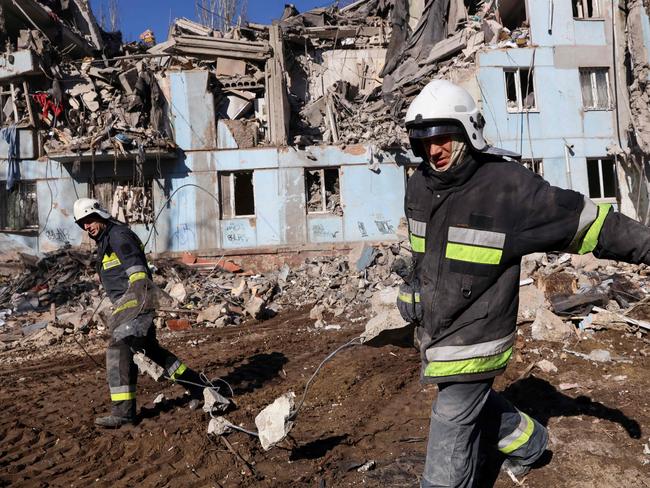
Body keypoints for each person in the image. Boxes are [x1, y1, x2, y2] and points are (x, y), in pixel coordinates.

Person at [397, 80, 650, 487]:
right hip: (436, 329)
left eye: (443, 138)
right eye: (423, 141)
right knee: (470, 404)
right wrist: (411, 286)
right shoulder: (419, 186)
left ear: (468, 133)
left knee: (451, 420)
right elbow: (422, 254)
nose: (434, 150)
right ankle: (530, 443)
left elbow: (592, 225)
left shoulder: (509, 189)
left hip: (477, 336)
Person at [73, 197, 208, 428]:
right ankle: (199, 388)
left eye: (89, 220)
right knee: (151, 351)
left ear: (99, 215)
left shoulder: (117, 235)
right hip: (131, 302)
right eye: (82, 224)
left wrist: (134, 303)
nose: (86, 226)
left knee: (118, 349)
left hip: (136, 302)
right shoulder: (106, 239)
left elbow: (136, 268)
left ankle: (124, 413)